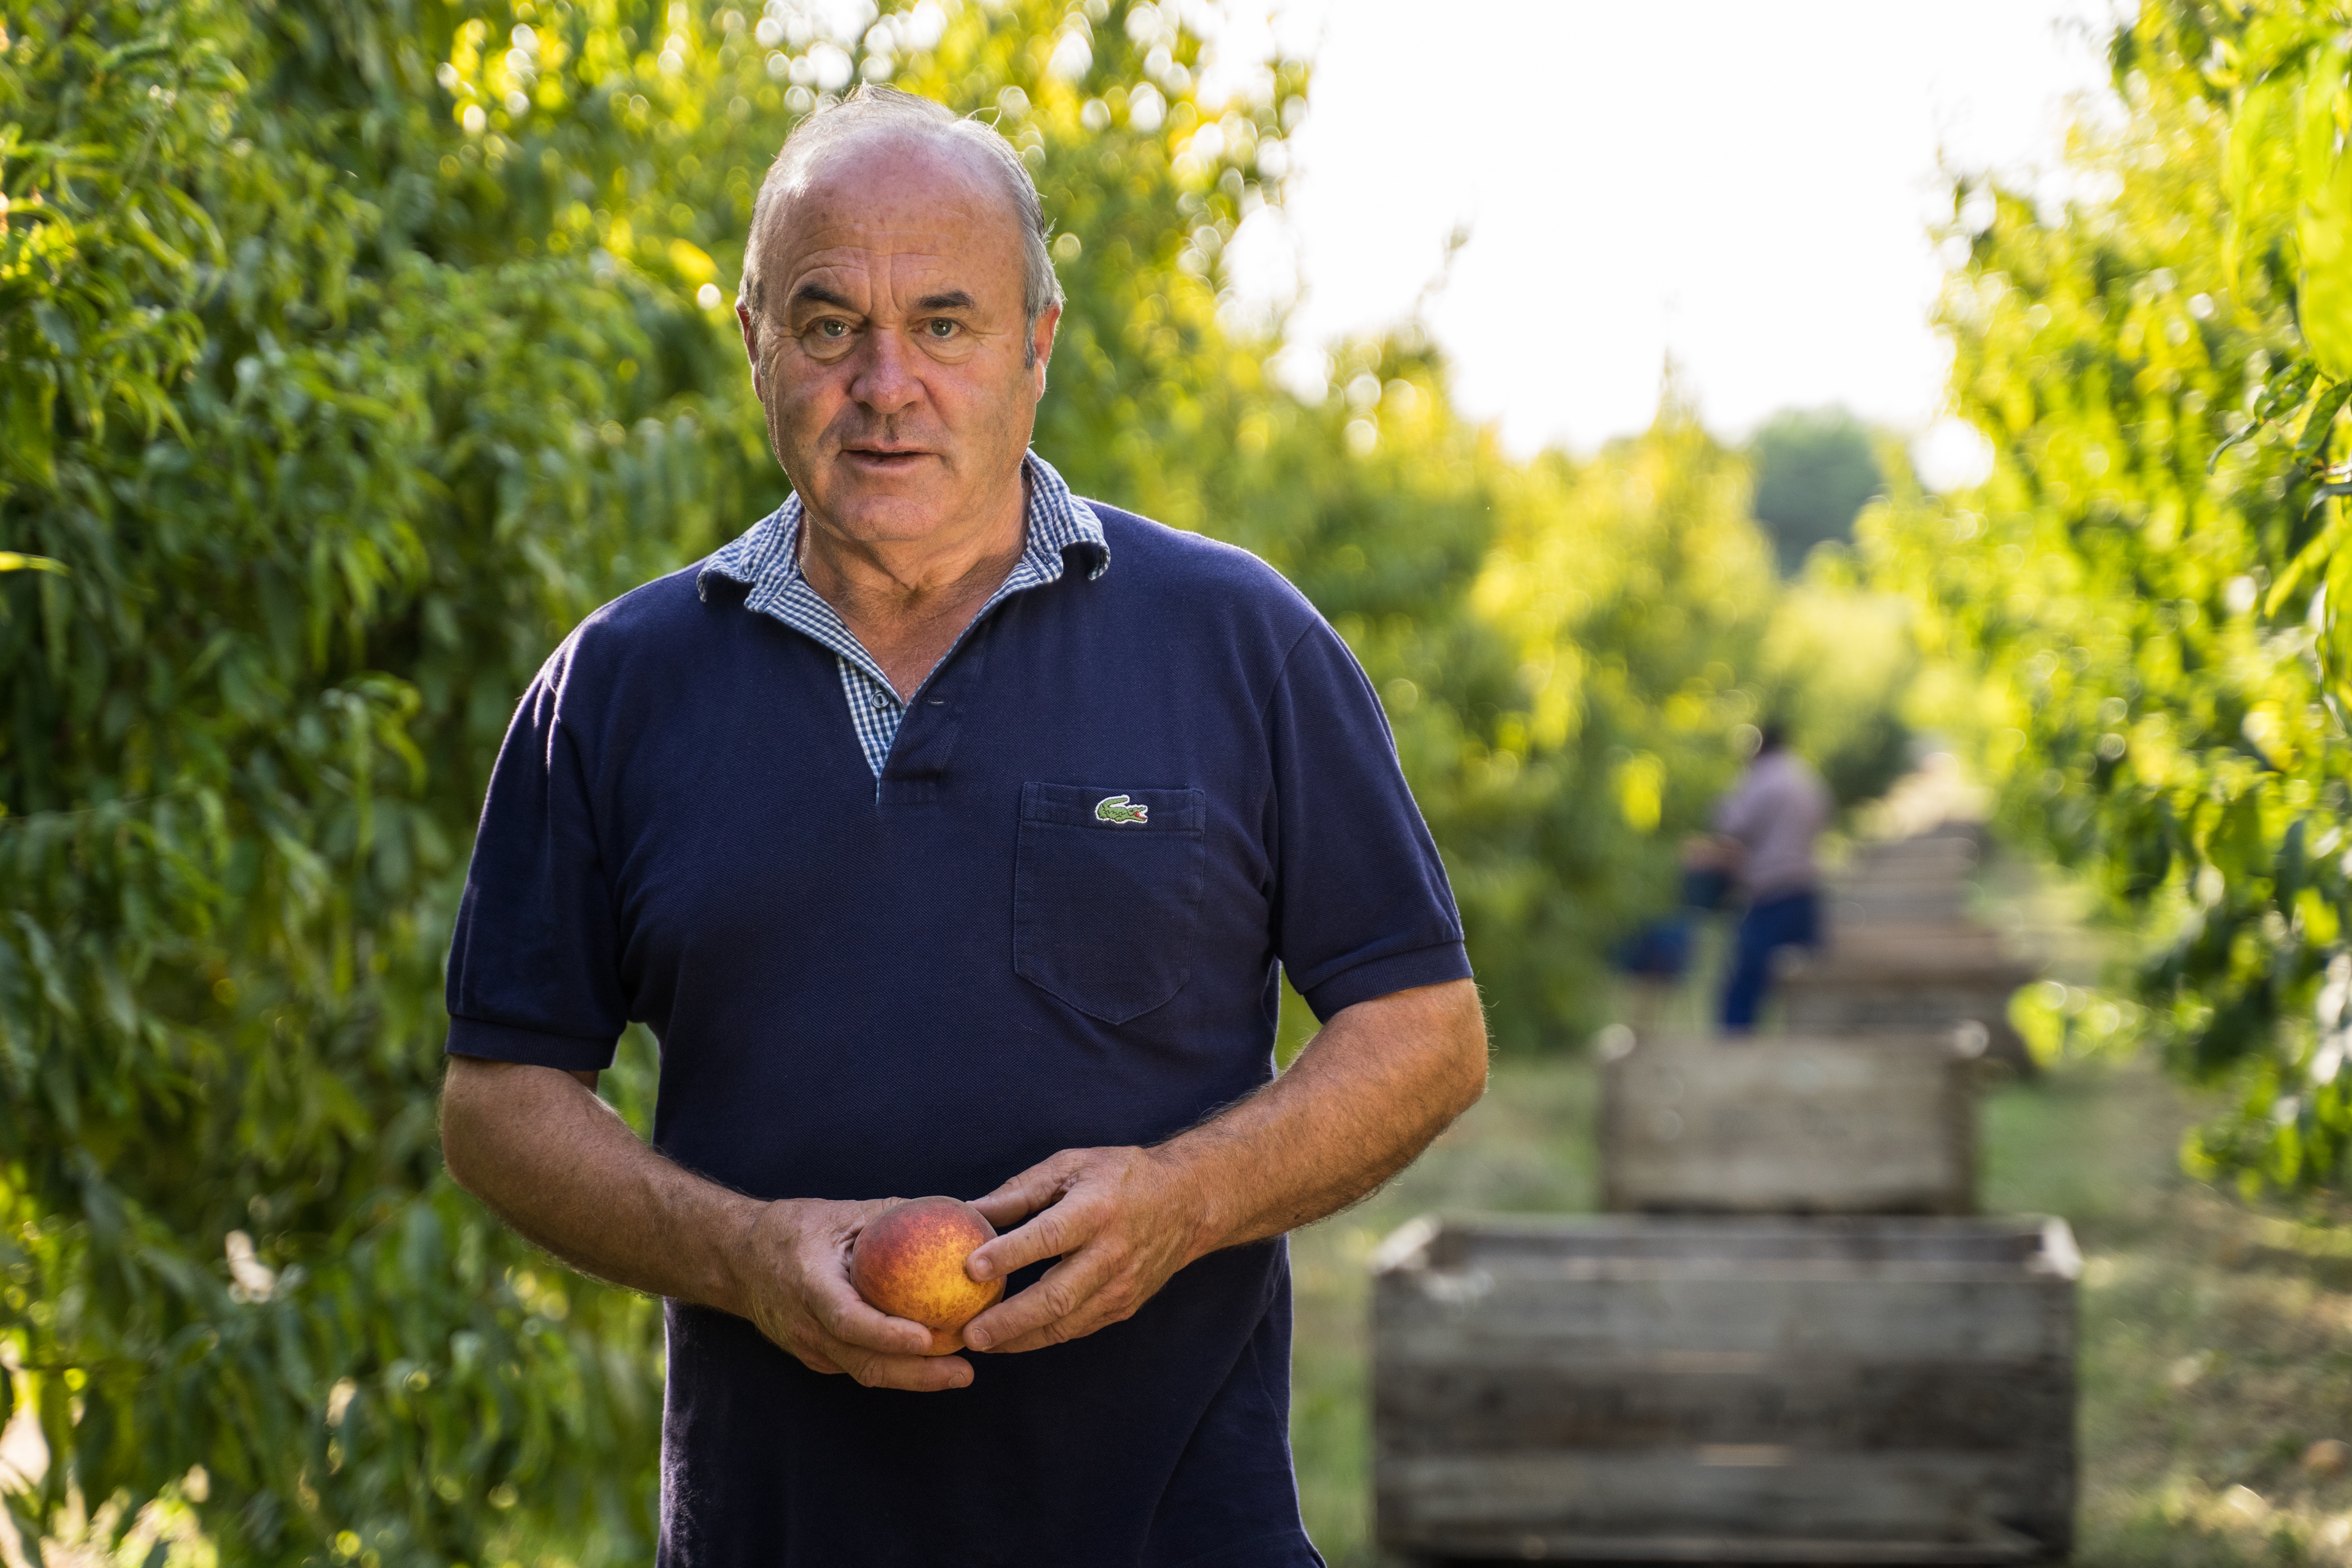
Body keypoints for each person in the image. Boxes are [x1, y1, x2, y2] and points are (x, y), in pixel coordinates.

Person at [434, 85, 1488, 1567]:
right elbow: (497, 1102)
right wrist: (743, 1257)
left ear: (1035, 347)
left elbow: (1424, 1031)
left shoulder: (1237, 643)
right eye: (825, 325)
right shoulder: (618, 687)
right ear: (752, 340)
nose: (885, 383)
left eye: (944, 323)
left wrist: (1184, 1204)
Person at [1710, 722, 1832, 1030]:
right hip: (1805, 891)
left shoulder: (1760, 780)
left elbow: (1731, 830)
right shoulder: (1807, 778)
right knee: (1811, 984)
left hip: (1769, 894)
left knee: (1744, 987)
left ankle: (1733, 1057)